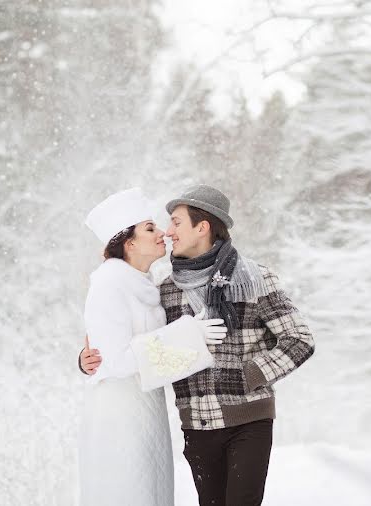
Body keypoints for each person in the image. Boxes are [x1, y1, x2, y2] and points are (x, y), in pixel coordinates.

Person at [79, 184, 316, 506]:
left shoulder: (255, 278)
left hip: (249, 420)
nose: (168, 231)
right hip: (197, 423)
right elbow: (141, 344)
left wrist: (250, 375)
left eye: (176, 222)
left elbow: (299, 339)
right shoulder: (166, 291)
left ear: (202, 227)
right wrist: (89, 358)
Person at [78, 187, 228, 506]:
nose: (162, 232)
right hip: (119, 417)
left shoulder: (145, 285)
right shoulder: (109, 284)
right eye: (150, 228)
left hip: (147, 411)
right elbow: (116, 361)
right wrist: (191, 335)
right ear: (128, 242)